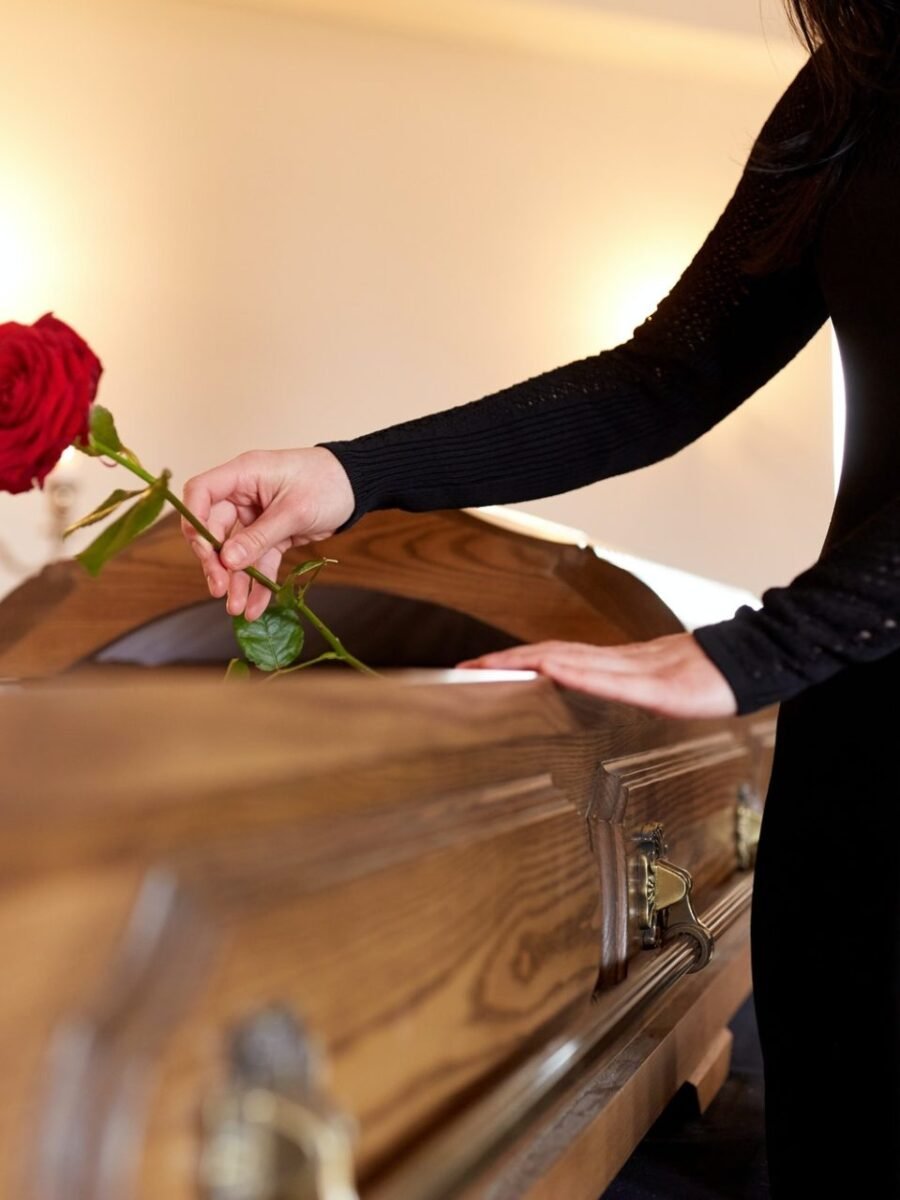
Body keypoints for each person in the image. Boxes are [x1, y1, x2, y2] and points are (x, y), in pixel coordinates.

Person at [181, 3, 900, 1193]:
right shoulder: (856, 86)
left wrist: (761, 646)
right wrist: (353, 473)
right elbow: (668, 375)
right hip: (858, 749)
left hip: (821, 655)